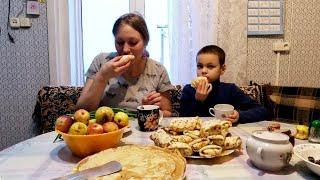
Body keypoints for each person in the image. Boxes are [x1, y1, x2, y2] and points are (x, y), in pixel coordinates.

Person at [76, 13, 174, 117]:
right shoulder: (101, 62)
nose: (125, 49)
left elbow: (168, 113)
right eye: (120, 42)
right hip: (105, 130)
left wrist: (148, 110)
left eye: (133, 42)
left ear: (145, 42)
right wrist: (103, 76)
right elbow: (81, 111)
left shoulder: (158, 70)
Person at [180, 45, 270, 123]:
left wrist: (239, 115)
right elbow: (183, 119)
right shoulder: (189, 90)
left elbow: (263, 111)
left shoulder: (230, 90)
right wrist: (198, 100)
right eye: (200, 66)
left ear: (222, 69)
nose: (203, 71)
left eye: (210, 66)